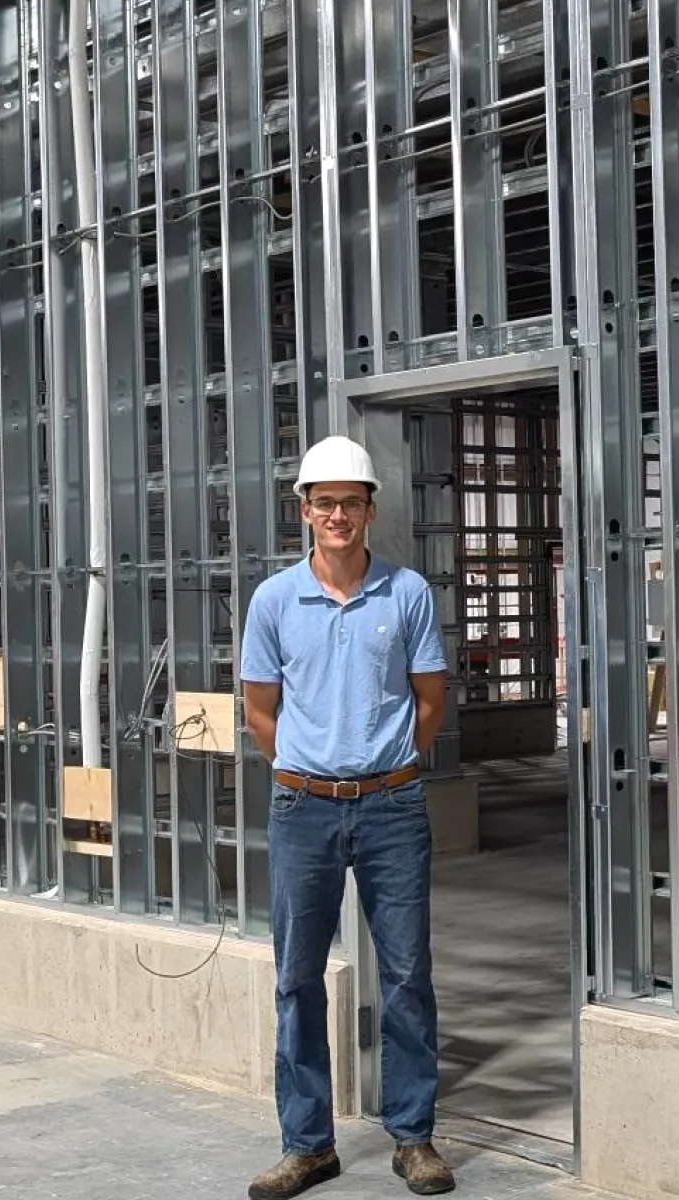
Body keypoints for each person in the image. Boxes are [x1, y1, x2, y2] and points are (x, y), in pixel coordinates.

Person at [240, 435, 454, 1199]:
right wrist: (313, 765)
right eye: (323, 501)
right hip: (304, 807)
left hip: (394, 805)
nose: (338, 514)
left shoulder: (408, 595)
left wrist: (384, 764)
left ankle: (413, 1137)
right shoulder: (273, 600)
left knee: (406, 974)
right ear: (304, 511)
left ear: (370, 510)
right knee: (297, 978)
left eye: (351, 502)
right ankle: (308, 1146)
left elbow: (430, 702)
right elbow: (260, 712)